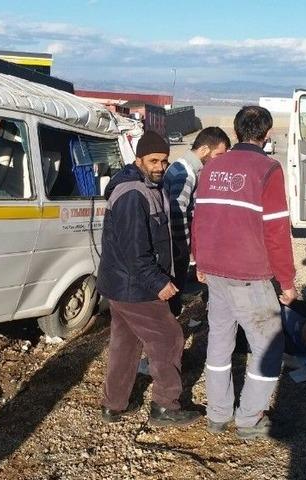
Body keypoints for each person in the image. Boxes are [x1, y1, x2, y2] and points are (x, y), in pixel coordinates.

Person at [192, 106, 297, 439]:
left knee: (220, 342)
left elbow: (200, 217)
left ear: (236, 132)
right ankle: (249, 419)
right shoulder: (268, 169)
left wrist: (200, 261)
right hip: (249, 273)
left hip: (215, 273)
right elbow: (276, 230)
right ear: (266, 135)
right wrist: (288, 281)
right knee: (268, 346)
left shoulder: (212, 167)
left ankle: (218, 414)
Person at [97, 131, 201, 426]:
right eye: (153, 160)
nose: (160, 166)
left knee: (125, 344)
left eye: (164, 161)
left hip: (122, 285)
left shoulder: (148, 187)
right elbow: (134, 251)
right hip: (136, 286)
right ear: (138, 159)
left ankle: (113, 404)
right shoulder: (133, 194)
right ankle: (165, 406)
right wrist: (158, 282)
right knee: (169, 339)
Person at [162, 126, 231, 317]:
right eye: (219, 154)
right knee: (174, 294)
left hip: (171, 245)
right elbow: (178, 215)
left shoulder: (179, 165)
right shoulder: (186, 174)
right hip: (176, 248)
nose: (220, 159)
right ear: (204, 150)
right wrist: (187, 251)